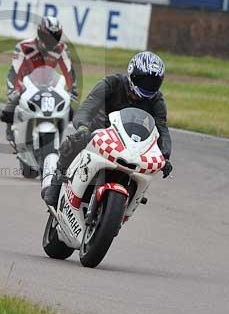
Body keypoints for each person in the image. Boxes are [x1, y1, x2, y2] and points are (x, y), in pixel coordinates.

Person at [41, 51, 173, 207]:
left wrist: (165, 156)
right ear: (133, 74)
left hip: (132, 144)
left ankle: (129, 202)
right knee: (75, 141)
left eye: (153, 82)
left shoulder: (156, 100)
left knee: (147, 167)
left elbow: (162, 128)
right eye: (145, 80)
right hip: (100, 134)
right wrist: (83, 127)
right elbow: (87, 107)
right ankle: (56, 184)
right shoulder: (112, 83)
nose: (148, 86)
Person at [0, 16, 78, 148]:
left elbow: (69, 72)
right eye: (48, 37)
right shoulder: (24, 47)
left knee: (69, 109)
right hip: (26, 85)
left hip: (49, 85)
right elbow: (14, 71)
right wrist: (13, 91)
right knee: (11, 107)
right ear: (41, 33)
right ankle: (11, 131)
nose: (51, 41)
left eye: (55, 36)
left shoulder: (62, 48)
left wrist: (72, 93)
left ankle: (61, 141)